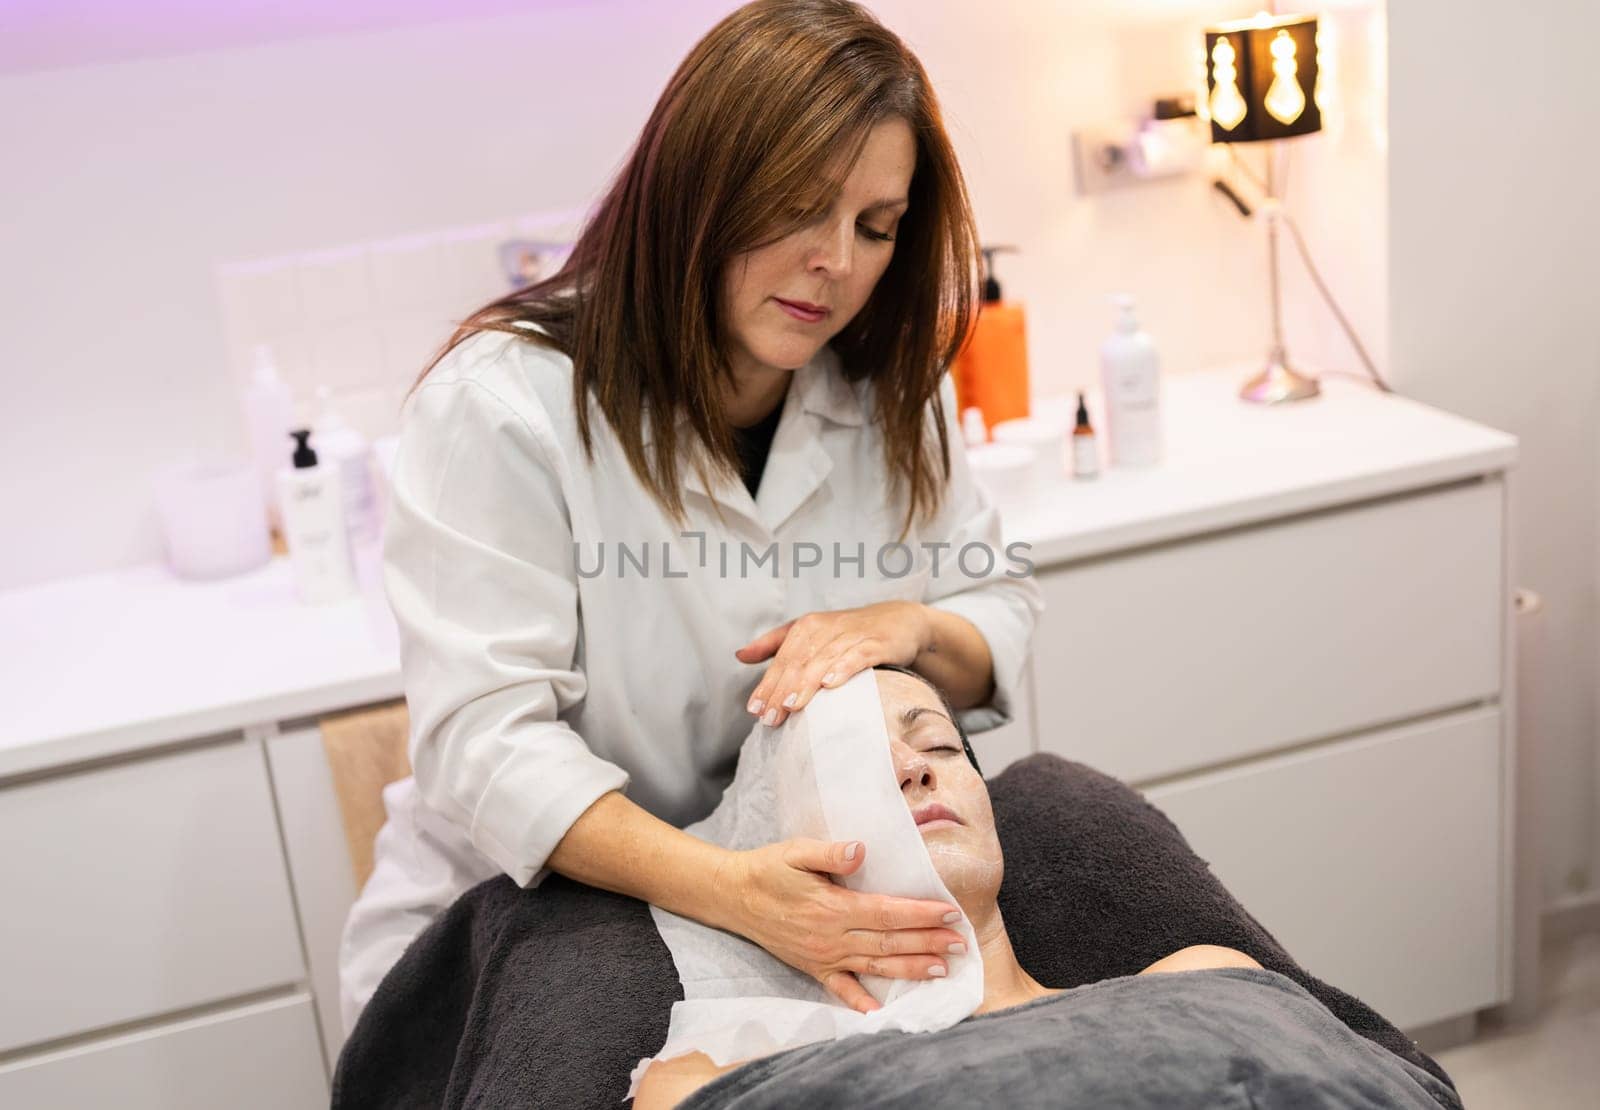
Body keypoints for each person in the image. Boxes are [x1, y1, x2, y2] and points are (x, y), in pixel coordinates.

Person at [338, 0, 1043, 1028]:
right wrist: (736, 890)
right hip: (539, 916)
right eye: (801, 207)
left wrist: (914, 626)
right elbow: (485, 745)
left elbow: (1000, 599)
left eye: (875, 228)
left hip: (824, 913)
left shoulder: (893, 388)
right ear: (697, 187)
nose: (836, 263)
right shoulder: (503, 407)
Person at [632, 668, 1460, 1110]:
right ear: (780, 847)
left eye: (944, 748)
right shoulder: (705, 1077)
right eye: (854, 760)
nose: (918, 766)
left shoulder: (1203, 977)